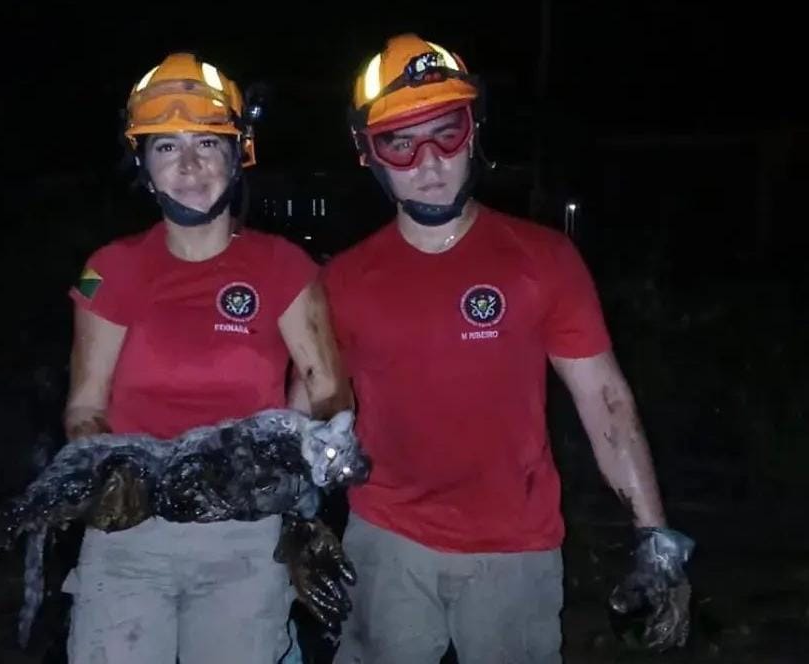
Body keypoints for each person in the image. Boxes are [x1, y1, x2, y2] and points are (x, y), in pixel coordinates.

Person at [321, 33, 696, 663]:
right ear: (369, 154)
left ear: (475, 131)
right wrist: (299, 523)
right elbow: (309, 414)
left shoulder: (543, 259)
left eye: (447, 131)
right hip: (386, 541)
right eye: (401, 143)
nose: (431, 161)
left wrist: (654, 535)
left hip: (515, 550)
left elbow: (604, 402)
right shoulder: (341, 281)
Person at [59, 51, 351, 664]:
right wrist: (107, 470)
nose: (189, 165)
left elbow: (327, 391)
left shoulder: (284, 267)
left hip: (245, 538)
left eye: (207, 144)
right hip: (129, 539)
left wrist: (316, 454)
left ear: (237, 154)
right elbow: (86, 406)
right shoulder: (108, 270)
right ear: (142, 163)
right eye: (166, 146)